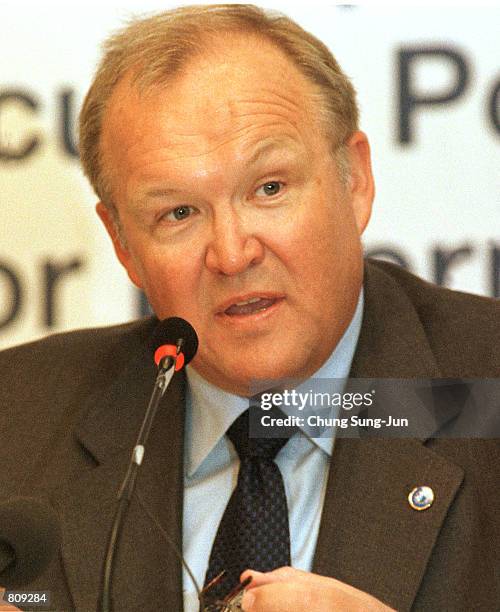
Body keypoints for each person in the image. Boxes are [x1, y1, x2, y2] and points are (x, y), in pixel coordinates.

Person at [1, 5, 499, 611]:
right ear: (123, 244)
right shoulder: (15, 424)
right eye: (178, 213)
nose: (233, 255)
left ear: (356, 180)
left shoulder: (484, 387)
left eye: (269, 189)